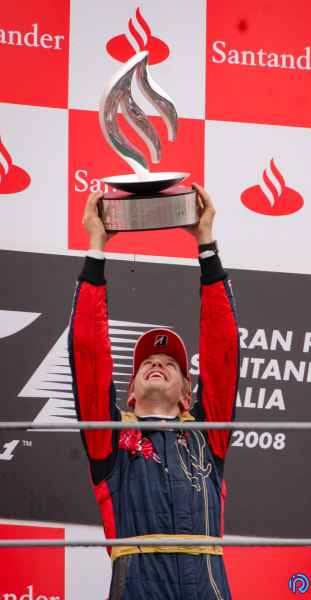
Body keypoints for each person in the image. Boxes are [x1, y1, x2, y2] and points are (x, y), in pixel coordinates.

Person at [68, 184, 239, 599]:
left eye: (170, 363)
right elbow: (88, 353)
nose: (157, 364)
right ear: (130, 393)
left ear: (187, 395)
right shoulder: (109, 437)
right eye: (147, 362)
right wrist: (96, 247)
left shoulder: (208, 434)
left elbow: (223, 351)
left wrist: (206, 244)